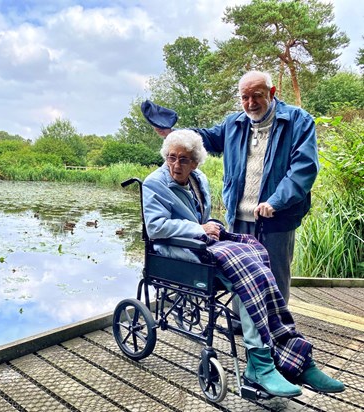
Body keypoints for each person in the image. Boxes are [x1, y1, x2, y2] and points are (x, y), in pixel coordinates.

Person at [142, 130, 344, 397]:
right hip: (174, 249)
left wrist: (207, 227)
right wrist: (199, 228)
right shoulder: (154, 183)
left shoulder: (198, 179)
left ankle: (294, 355)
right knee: (246, 275)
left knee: (257, 259)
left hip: (200, 242)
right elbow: (155, 227)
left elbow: (198, 215)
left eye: (184, 159)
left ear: (196, 162)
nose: (176, 165)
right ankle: (262, 364)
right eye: (171, 158)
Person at [192, 71, 319, 305]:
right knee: (240, 273)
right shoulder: (234, 123)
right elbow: (205, 139)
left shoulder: (298, 120)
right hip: (239, 216)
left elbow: (304, 168)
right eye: (244, 97)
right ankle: (241, 323)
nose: (250, 103)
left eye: (257, 96)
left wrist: (276, 202)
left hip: (275, 217)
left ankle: (275, 329)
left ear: (272, 93)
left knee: (274, 277)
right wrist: (173, 132)